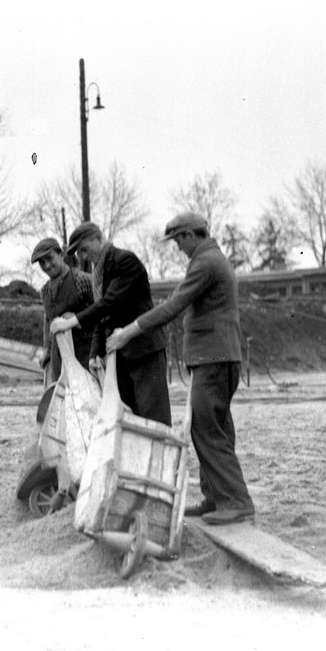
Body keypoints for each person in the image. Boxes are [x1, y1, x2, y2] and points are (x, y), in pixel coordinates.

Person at [105, 212, 254, 525]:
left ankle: (236, 500)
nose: (177, 248)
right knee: (215, 426)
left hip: (214, 358)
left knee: (206, 427)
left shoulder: (206, 262)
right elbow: (176, 298)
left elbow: (174, 306)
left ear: (189, 234)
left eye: (177, 241)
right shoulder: (208, 259)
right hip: (216, 357)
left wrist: (129, 330)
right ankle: (216, 497)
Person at [49, 222, 171, 427]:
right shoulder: (100, 272)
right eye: (80, 253)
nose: (84, 257)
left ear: (99, 238)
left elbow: (109, 303)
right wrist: (95, 352)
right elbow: (103, 315)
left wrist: (70, 322)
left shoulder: (124, 260)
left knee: (153, 418)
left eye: (85, 249)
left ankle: (164, 459)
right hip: (121, 356)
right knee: (130, 420)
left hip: (144, 351)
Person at [31, 237, 95, 386]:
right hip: (59, 356)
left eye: (50, 258)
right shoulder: (45, 290)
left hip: (85, 353)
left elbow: (103, 311)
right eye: (42, 262)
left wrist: (77, 319)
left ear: (60, 254)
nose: (47, 265)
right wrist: (47, 349)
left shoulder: (82, 280)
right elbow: (48, 320)